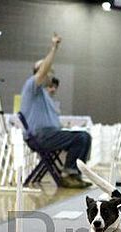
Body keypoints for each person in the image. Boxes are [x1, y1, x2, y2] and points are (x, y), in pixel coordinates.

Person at [20, 33, 92, 189]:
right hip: (40, 137)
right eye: (48, 70)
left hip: (49, 134)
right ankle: (68, 174)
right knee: (81, 137)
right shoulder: (31, 86)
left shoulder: (44, 94)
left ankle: (73, 174)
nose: (51, 73)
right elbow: (43, 70)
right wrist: (54, 48)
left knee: (83, 137)